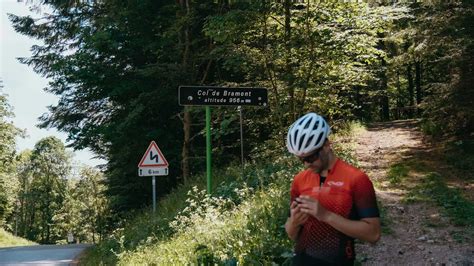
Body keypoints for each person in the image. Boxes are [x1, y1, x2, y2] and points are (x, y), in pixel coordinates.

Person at [285, 112, 381, 265]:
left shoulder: (357, 179)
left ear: (326, 146)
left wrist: (326, 215)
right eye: (301, 159)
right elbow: (292, 235)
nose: (306, 164)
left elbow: (374, 234)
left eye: (310, 158)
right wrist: (294, 223)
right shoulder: (299, 180)